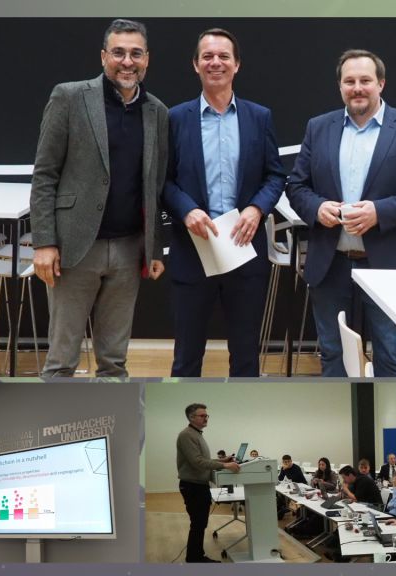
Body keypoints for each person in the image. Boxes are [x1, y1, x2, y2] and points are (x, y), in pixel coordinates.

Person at [287, 49, 396, 377]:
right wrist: (317, 207)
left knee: (393, 356)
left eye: (365, 80)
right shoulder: (319, 127)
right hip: (331, 263)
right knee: (332, 355)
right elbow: (297, 186)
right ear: (340, 86)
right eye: (349, 81)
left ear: (381, 84)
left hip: (390, 266)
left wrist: (379, 212)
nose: (357, 87)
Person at [30, 19, 168, 377]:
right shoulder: (70, 97)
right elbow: (45, 174)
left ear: (147, 59)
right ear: (104, 55)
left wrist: (153, 248)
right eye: (119, 52)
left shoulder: (157, 112)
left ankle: (112, 425)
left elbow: (153, 186)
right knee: (61, 363)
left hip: (128, 251)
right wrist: (44, 242)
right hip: (75, 248)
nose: (127, 61)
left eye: (135, 53)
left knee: (114, 363)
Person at [162, 28, 285, 377]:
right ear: (195, 65)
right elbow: (163, 181)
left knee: (246, 357)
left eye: (223, 56)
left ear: (237, 65)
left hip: (244, 252)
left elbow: (275, 175)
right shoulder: (175, 118)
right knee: (186, 358)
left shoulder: (259, 118)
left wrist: (257, 208)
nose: (215, 62)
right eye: (207, 57)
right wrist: (186, 210)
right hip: (193, 253)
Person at [176, 403, 240, 563]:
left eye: (207, 415)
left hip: (199, 485)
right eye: (202, 415)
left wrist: (222, 460)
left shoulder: (196, 434)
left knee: (200, 523)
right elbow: (197, 462)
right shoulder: (187, 435)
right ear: (192, 417)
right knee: (198, 524)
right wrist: (225, 465)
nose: (206, 418)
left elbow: (202, 460)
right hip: (193, 486)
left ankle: (195, 556)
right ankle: (194, 558)